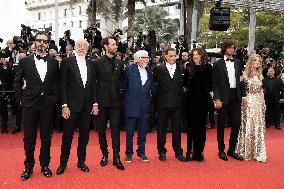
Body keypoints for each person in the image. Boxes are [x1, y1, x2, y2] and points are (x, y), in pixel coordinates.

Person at [14, 32, 59, 181]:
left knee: (46, 137)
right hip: (30, 104)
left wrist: (54, 99)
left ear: (48, 44)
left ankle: (45, 165)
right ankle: (28, 166)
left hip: (47, 105)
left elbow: (56, 83)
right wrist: (20, 99)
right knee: (29, 137)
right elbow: (17, 81)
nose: (41, 43)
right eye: (39, 40)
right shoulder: (25, 61)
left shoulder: (53, 62)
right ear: (34, 43)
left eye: (44, 41)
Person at [56, 39, 98, 175]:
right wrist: (64, 105)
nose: (81, 48)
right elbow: (62, 85)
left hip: (87, 107)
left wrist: (95, 103)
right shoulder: (67, 62)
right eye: (79, 46)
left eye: (84, 46)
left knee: (84, 136)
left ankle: (81, 162)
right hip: (71, 106)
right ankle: (63, 163)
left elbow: (93, 86)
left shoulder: (91, 64)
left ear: (87, 48)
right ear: (75, 47)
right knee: (67, 137)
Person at [94, 36, 125, 170]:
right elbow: (94, 84)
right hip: (101, 101)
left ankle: (116, 158)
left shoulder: (120, 63)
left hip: (116, 102)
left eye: (115, 44)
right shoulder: (97, 62)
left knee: (116, 131)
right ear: (105, 46)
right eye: (112, 44)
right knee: (101, 130)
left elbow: (122, 82)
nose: (115, 46)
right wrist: (94, 102)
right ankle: (104, 155)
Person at [212, 39, 245, 161]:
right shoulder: (217, 64)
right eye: (230, 47)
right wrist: (217, 98)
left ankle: (231, 150)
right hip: (223, 96)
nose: (232, 49)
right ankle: (221, 150)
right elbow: (214, 83)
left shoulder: (238, 62)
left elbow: (241, 80)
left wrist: (244, 96)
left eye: (233, 47)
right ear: (225, 49)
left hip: (235, 96)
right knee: (221, 125)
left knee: (236, 123)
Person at [154, 48, 186, 162]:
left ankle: (178, 152)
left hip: (177, 104)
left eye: (174, 56)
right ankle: (161, 151)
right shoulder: (158, 69)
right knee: (161, 129)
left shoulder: (181, 68)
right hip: (163, 104)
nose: (173, 58)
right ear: (165, 56)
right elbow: (155, 85)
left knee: (177, 129)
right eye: (171, 56)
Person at [123, 50, 154, 163]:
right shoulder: (129, 70)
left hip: (145, 106)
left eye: (147, 57)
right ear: (137, 59)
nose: (147, 59)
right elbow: (124, 85)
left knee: (142, 131)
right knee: (129, 132)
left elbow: (152, 88)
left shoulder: (149, 71)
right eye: (144, 57)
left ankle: (141, 152)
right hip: (131, 105)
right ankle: (129, 154)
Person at [235, 53, 267, 162]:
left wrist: (263, 103)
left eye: (259, 61)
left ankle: (257, 152)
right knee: (248, 124)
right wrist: (242, 98)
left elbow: (262, 90)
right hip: (248, 101)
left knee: (258, 124)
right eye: (255, 61)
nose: (257, 63)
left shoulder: (260, 74)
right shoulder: (245, 74)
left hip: (258, 101)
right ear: (251, 62)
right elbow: (239, 87)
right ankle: (246, 150)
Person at [184, 48, 213, 161]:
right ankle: (189, 153)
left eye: (197, 54)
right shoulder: (188, 67)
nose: (195, 56)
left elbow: (210, 85)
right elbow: (185, 84)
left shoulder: (208, 67)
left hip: (203, 101)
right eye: (193, 54)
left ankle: (198, 153)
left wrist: (213, 99)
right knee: (191, 127)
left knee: (201, 128)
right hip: (190, 101)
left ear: (202, 55)